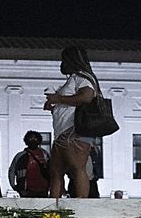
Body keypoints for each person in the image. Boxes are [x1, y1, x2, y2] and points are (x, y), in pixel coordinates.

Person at [43, 46, 101, 200]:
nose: (61, 64)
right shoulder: (73, 79)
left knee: (77, 168)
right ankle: (53, 206)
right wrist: (55, 107)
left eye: (64, 60)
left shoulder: (83, 78)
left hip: (74, 130)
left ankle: (81, 204)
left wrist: (58, 99)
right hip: (62, 132)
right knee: (55, 171)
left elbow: (86, 97)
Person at [8, 131, 50, 198]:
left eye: (35, 138)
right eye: (31, 138)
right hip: (26, 190)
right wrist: (13, 185)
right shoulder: (20, 156)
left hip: (43, 189)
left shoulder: (45, 155)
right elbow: (12, 171)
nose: (33, 140)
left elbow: (52, 169)